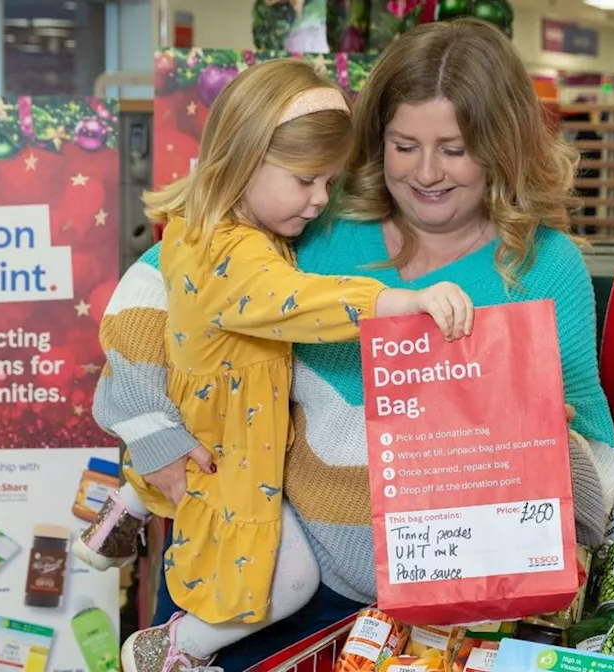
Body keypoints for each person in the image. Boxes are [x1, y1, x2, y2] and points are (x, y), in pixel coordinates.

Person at [93, 19, 614, 671]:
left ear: (502, 145)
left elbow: (595, 453)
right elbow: (156, 295)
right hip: (252, 579)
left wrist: (554, 454)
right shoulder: (317, 213)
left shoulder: (546, 267)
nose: (427, 172)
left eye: (455, 149)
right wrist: (155, 436)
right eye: (404, 145)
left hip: (438, 624)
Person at [78, 59, 475, 672]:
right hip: (230, 451)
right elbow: (291, 300)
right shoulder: (235, 256)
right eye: (305, 181)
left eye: (329, 183)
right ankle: (170, 650)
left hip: (216, 426)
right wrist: (399, 302)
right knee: (288, 581)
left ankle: (120, 518)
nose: (319, 200)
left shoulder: (209, 229)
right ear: (243, 159)